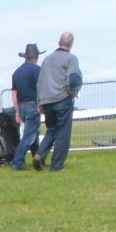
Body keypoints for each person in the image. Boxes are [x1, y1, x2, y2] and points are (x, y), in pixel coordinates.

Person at [34, 32, 82, 172]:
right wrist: (71, 93)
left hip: (47, 101)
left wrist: (40, 103)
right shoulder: (71, 58)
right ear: (71, 44)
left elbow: (40, 82)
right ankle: (57, 165)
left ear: (59, 42)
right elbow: (74, 79)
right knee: (63, 134)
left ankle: (39, 155)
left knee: (51, 130)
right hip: (62, 99)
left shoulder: (47, 59)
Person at [9, 44, 42, 170]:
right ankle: (17, 162)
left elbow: (14, 93)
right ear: (36, 57)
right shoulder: (37, 70)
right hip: (32, 106)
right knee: (28, 136)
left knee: (33, 133)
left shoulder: (16, 73)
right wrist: (41, 105)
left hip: (21, 106)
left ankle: (37, 158)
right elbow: (41, 89)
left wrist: (17, 110)